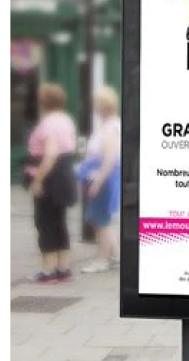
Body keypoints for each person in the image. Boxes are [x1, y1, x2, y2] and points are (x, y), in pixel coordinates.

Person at [27, 83, 78, 284]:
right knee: (60, 222)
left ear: (44, 101)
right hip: (64, 174)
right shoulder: (66, 121)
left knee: (45, 223)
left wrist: (38, 179)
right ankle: (63, 269)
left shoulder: (48, 124)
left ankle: (48, 271)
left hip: (50, 176)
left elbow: (50, 154)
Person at [78, 87, 121, 274]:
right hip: (101, 176)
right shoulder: (110, 125)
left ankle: (103, 259)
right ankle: (114, 256)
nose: (94, 107)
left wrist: (98, 181)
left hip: (102, 178)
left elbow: (110, 157)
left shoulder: (110, 127)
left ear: (102, 106)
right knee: (102, 219)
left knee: (99, 220)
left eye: (96, 104)